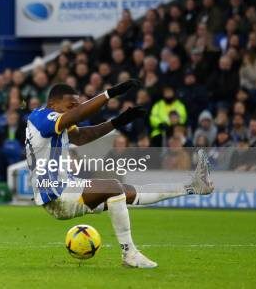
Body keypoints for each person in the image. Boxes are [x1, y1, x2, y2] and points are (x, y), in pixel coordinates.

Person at [25, 82, 214, 268]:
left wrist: (118, 121)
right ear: (53, 104)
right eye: (71, 105)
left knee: (127, 192)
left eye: (77, 104)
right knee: (114, 187)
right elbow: (79, 114)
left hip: (65, 187)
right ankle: (129, 254)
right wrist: (109, 94)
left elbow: (81, 137)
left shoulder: (49, 120)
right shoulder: (44, 119)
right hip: (56, 193)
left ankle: (193, 186)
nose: (76, 109)